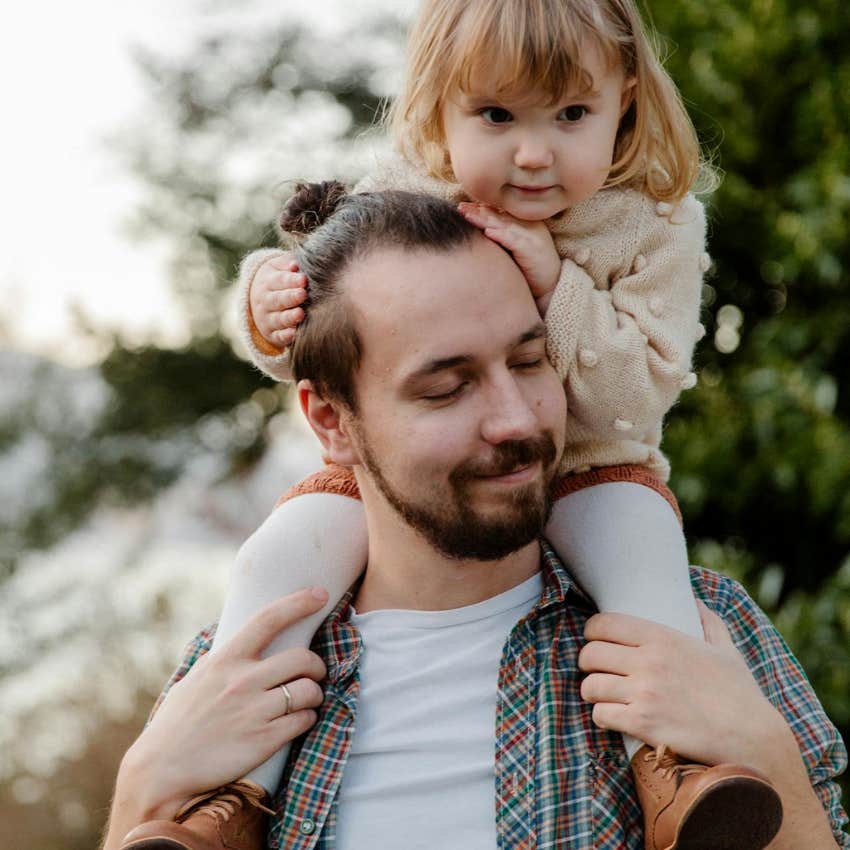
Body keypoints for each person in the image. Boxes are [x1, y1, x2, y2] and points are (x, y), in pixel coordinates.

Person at [105, 187, 849, 850]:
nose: (515, 419)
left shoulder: (699, 629)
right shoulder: (241, 674)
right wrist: (142, 790)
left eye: (529, 362)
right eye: (447, 388)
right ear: (332, 422)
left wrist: (769, 759)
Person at [220, 0, 752, 836]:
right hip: (378, 486)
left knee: (647, 571)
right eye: (496, 115)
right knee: (274, 564)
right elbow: (319, 324)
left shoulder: (654, 226)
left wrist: (560, 289)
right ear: (439, 109)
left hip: (593, 467)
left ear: (627, 106)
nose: (533, 153)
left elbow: (639, 389)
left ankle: (677, 773)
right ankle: (225, 801)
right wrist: (264, 300)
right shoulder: (409, 199)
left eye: (573, 115)